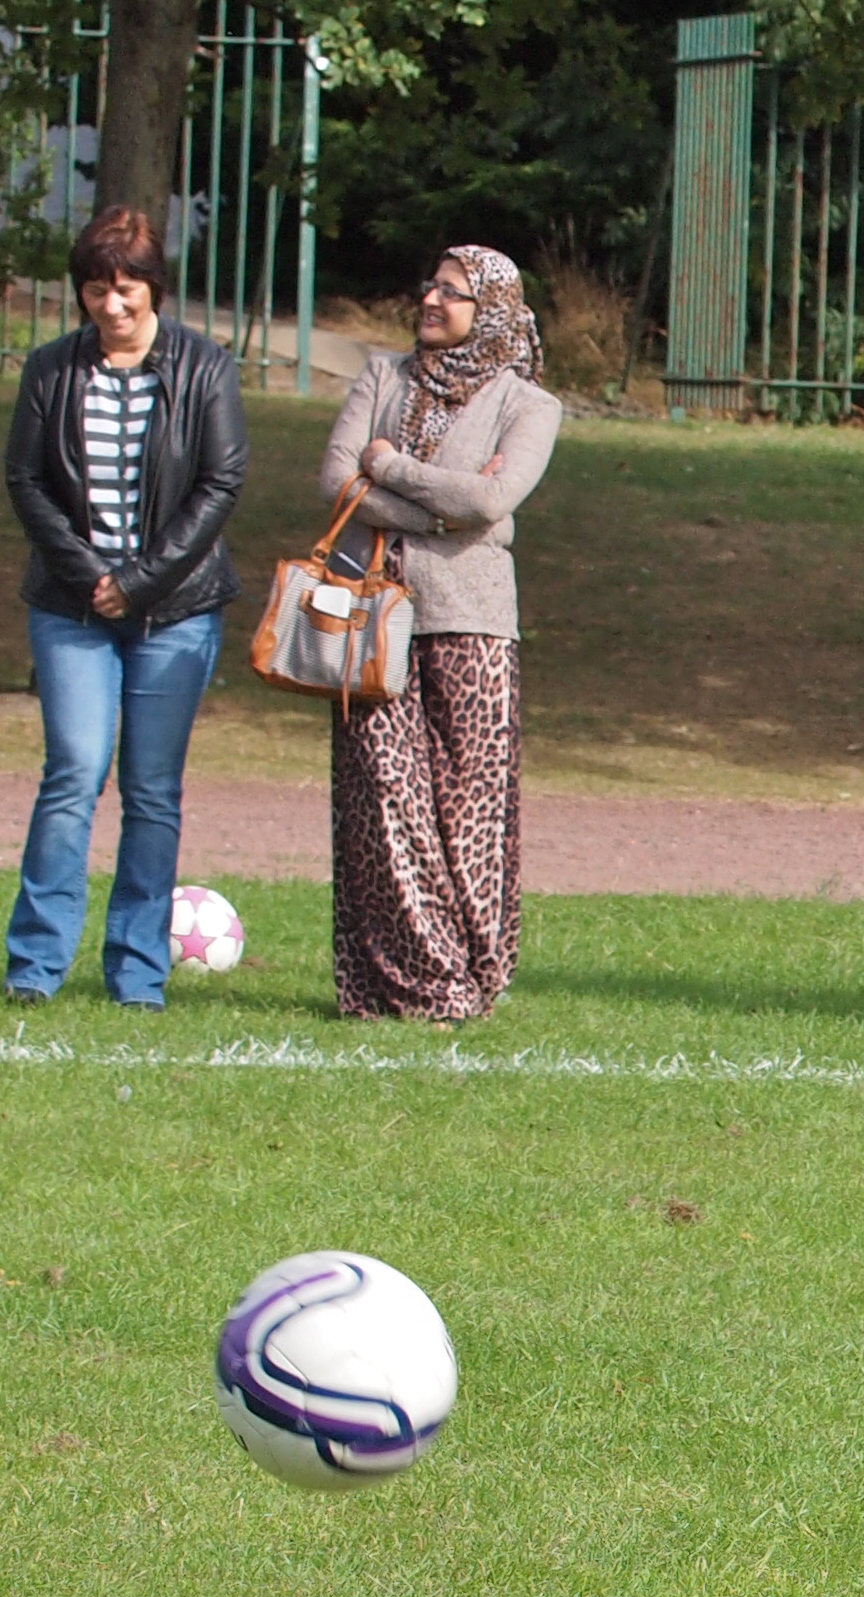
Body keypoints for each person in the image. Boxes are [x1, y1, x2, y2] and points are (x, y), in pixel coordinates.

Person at [3, 206, 246, 1010]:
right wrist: (89, 575)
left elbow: (220, 484)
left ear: (154, 289)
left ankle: (138, 972)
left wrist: (140, 579)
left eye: (127, 288)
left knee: (151, 789)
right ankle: (35, 966)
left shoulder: (205, 366)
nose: (112, 306)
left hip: (175, 609)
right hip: (70, 608)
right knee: (73, 772)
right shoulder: (50, 369)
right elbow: (27, 482)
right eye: (96, 290)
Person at [320, 246, 559, 1023]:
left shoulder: (527, 404)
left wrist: (388, 467)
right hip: (370, 611)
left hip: (472, 619)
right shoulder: (380, 377)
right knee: (382, 798)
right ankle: (421, 985)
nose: (431, 299)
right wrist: (443, 508)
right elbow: (334, 484)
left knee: (469, 808)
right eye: (428, 285)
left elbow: (495, 497)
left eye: (451, 293)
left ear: (489, 309)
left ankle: (475, 974)